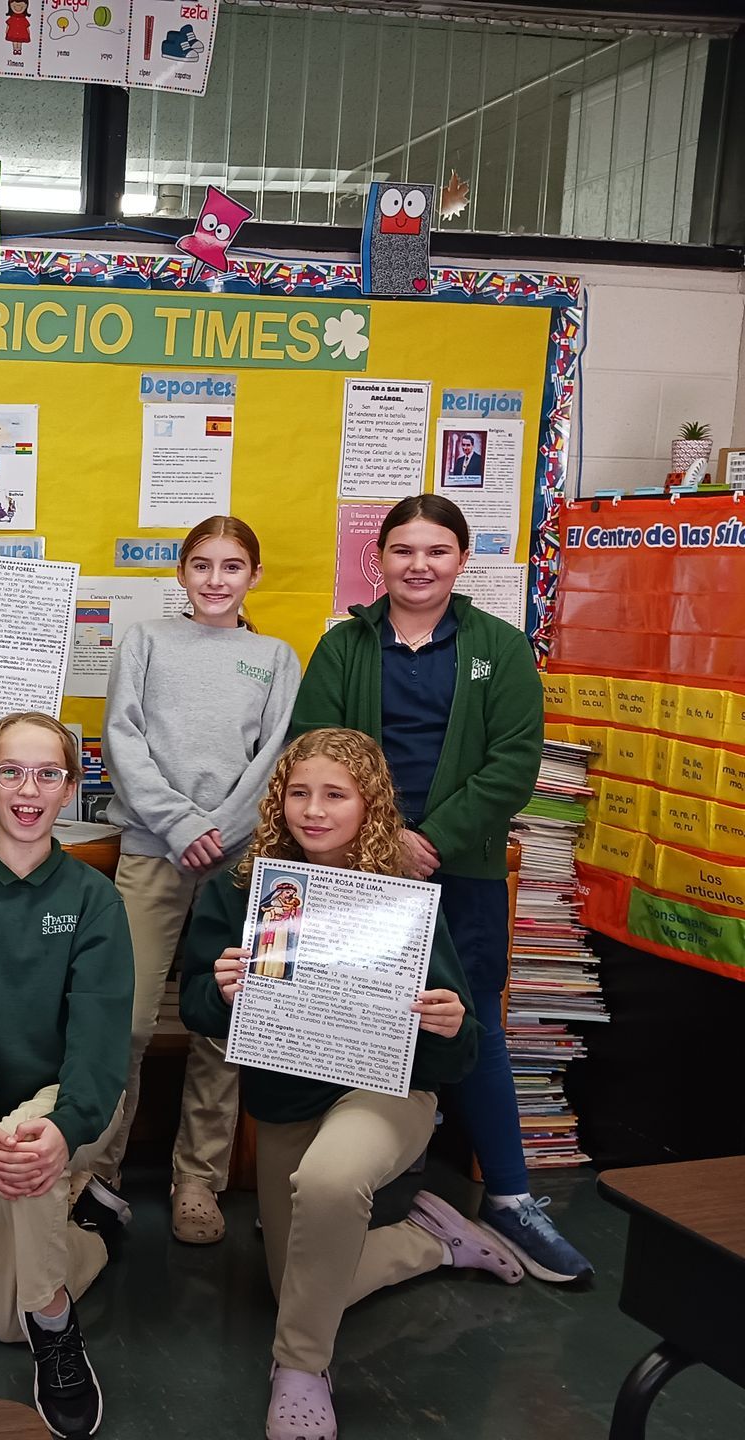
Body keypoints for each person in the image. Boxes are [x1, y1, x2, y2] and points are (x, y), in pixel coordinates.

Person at [178, 728, 524, 1440]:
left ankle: (301, 1371)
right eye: (299, 792)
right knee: (297, 1285)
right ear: (279, 800)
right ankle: (434, 1240)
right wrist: (221, 993)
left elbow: (460, 1055)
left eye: (335, 794)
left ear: (370, 805)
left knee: (332, 1186)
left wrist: (452, 1024)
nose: (314, 810)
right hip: (287, 1100)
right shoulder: (247, 889)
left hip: (386, 1092)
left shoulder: (404, 897)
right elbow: (195, 1006)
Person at [291, 494, 592, 1284]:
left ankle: (512, 1199)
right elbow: (315, 751)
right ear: (378, 560)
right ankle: (360, 1195)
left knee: (472, 1024)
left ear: (461, 560)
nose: (418, 565)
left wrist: (432, 841)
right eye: (402, 550)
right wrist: (382, 841)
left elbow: (514, 763)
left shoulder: (497, 646)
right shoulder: (343, 647)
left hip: (462, 869)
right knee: (355, 1023)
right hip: (355, 870)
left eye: (436, 551)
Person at [0, 712, 134, 1440]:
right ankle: (94, 1233)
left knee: (31, 1148)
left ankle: (57, 1324)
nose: (28, 788)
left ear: (70, 788)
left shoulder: (93, 897)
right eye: (10, 771)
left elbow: (98, 1038)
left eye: (47, 773)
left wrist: (65, 1128)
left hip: (72, 1101)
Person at [84, 515, 299, 1245]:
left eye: (231, 566)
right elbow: (122, 735)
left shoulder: (273, 655)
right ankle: (100, 1173)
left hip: (239, 862)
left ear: (253, 577)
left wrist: (224, 831)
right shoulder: (146, 640)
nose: (215, 580)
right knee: (129, 1020)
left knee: (223, 1022)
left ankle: (198, 1181)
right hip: (154, 849)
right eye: (201, 565)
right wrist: (181, 826)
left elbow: (275, 758)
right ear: (181, 573)